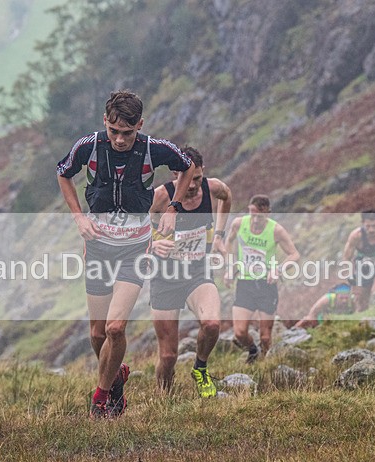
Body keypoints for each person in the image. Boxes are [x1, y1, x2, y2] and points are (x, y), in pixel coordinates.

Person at [57, 90, 196, 418]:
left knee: (115, 329)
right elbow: (63, 173)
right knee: (96, 333)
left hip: (136, 249)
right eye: (114, 131)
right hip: (98, 248)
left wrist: (174, 207)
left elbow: (186, 167)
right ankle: (116, 376)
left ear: (140, 126)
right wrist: (78, 217)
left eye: (128, 133)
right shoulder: (88, 146)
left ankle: (101, 399)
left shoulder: (153, 149)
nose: (120, 139)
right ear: (105, 121)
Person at [149, 146, 232, 397]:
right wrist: (151, 244)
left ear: (203, 172)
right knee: (168, 355)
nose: (193, 185)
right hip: (166, 277)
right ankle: (165, 398)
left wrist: (219, 235)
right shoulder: (162, 197)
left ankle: (201, 368)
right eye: (186, 179)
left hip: (197, 271)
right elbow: (134, 223)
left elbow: (226, 198)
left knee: (212, 324)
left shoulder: (212, 187)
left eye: (197, 178)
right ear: (175, 174)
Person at [224, 195, 300, 362]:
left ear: (267, 214)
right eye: (252, 214)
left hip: (267, 285)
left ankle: (265, 364)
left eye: (259, 216)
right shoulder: (239, 224)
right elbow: (228, 242)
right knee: (239, 332)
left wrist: (278, 270)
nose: (255, 219)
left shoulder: (276, 230)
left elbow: (294, 254)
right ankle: (253, 350)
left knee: (265, 336)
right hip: (245, 284)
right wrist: (231, 266)